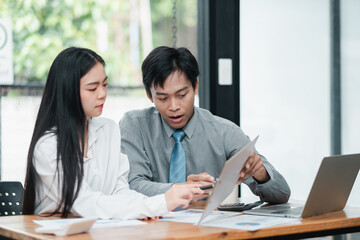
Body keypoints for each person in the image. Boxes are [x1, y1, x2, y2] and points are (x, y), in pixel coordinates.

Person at [22, 47, 203, 219]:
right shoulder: (47, 146)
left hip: (99, 230)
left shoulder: (108, 130)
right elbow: (84, 203)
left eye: (105, 84)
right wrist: (159, 203)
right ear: (68, 91)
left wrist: (151, 208)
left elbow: (120, 190)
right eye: (92, 88)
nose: (102, 94)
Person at [119, 46, 291, 203]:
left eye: (182, 95)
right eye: (163, 98)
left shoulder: (224, 132)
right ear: (150, 96)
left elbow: (282, 194)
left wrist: (260, 173)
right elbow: (132, 185)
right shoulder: (135, 126)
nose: (174, 107)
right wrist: (180, 189)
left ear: (195, 87)